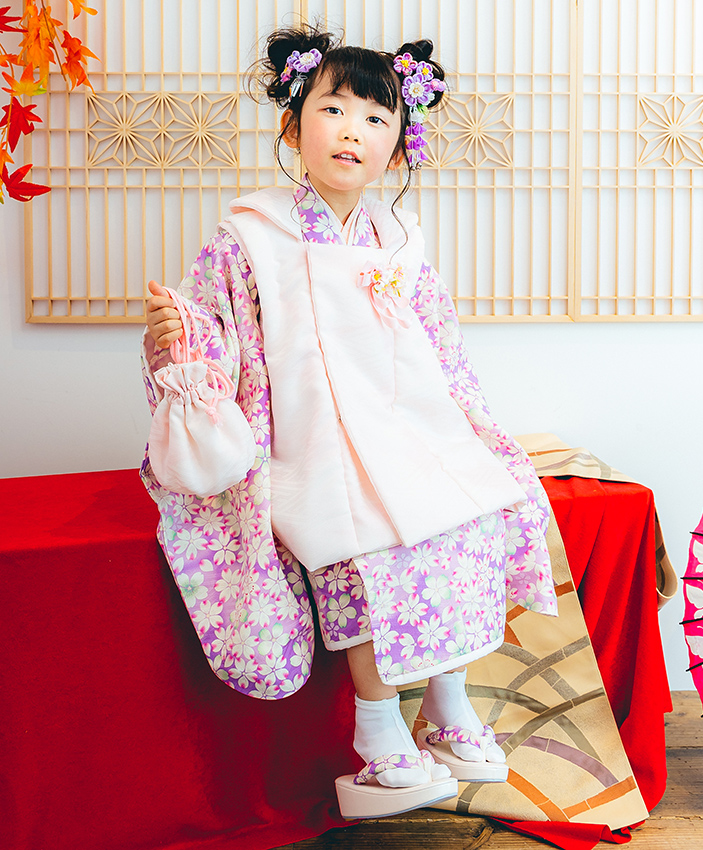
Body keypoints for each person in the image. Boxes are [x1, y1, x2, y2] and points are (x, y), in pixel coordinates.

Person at [141, 24, 557, 820]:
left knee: (471, 507)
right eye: (333, 109)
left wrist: (469, 429)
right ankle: (379, 730)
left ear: (398, 149)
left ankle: (447, 707)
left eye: (375, 118)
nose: (352, 130)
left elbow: (439, 347)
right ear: (293, 126)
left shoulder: (398, 241)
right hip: (312, 439)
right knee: (358, 542)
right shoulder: (250, 236)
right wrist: (178, 337)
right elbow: (215, 329)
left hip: (400, 426)